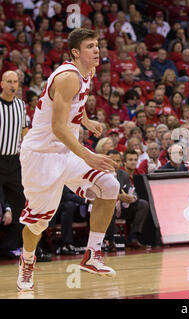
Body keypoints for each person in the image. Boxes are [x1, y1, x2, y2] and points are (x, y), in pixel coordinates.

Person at [17, 29, 120, 292]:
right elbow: (59, 127)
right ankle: (27, 259)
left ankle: (92, 255)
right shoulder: (66, 78)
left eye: (97, 45)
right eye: (89, 46)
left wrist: (86, 120)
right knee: (38, 223)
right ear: (76, 52)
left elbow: (77, 104)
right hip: (42, 156)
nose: (96, 50)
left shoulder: (87, 72)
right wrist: (89, 155)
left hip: (66, 152)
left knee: (109, 185)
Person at [0, 71, 28, 260]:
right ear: (1, 84)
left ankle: (7, 247)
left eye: (15, 82)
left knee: (22, 206)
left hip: (14, 161)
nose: (12, 85)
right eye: (8, 81)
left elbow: (25, 131)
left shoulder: (21, 105)